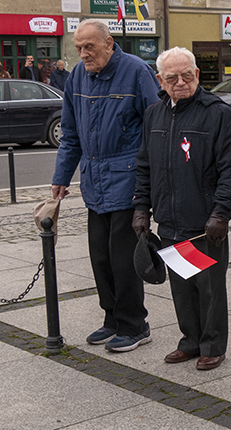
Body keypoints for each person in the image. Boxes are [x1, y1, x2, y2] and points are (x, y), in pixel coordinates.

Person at [52, 19, 160, 352]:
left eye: (90, 47)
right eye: (79, 48)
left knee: (123, 258)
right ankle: (112, 318)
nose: (83, 54)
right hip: (94, 182)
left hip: (128, 179)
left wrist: (151, 183)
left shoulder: (136, 71)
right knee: (100, 257)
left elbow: (155, 125)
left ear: (109, 43)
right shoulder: (77, 76)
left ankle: (135, 324)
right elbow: (70, 134)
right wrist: (61, 177)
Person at [133, 47, 231, 371]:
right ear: (160, 80)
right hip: (170, 221)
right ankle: (190, 340)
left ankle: (212, 344)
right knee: (181, 287)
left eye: (187, 75)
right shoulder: (154, 114)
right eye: (172, 77)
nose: (181, 82)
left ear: (197, 74)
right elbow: (144, 166)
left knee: (208, 288)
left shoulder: (218, 113)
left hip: (203, 223)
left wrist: (221, 213)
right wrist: (141, 208)